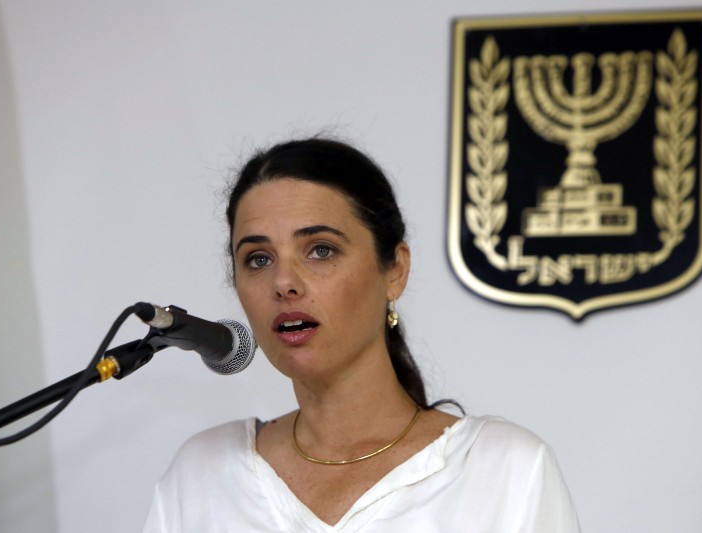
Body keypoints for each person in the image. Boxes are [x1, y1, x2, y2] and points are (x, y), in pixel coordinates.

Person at [143, 138, 581, 532]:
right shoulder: (200, 476)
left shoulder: (504, 472)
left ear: (395, 271)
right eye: (258, 259)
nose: (283, 282)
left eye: (320, 250)